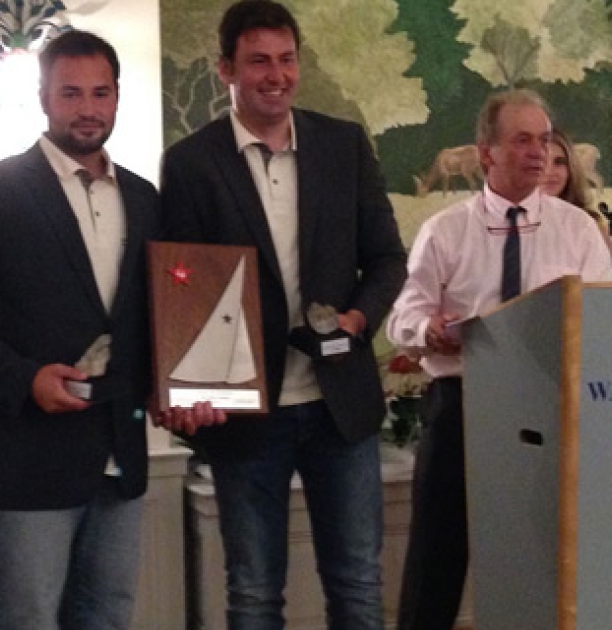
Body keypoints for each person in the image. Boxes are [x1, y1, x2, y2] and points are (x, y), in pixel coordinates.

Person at [0, 30, 215, 630]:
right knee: (27, 618)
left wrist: (174, 387)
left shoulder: (143, 197)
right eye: (70, 93)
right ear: (43, 98)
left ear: (117, 98)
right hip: (29, 456)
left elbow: (152, 315)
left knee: (107, 616)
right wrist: (24, 379)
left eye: (100, 93)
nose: (87, 108)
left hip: (121, 450)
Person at [157, 2, 408, 629]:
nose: (277, 75)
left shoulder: (344, 145)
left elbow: (387, 260)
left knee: (358, 585)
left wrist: (358, 319)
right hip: (246, 414)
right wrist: (188, 388)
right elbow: (181, 286)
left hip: (339, 405)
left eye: (287, 59)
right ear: (226, 70)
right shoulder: (191, 163)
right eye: (259, 61)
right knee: (253, 592)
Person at [387, 89, 612, 630]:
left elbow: (605, 321)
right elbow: (402, 319)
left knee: (544, 563)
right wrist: (429, 330)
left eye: (544, 140)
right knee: (436, 565)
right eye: (522, 140)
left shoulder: (577, 230)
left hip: (549, 411)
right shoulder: (446, 231)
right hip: (462, 408)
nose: (538, 152)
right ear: (487, 152)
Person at [542, 128, 612, 250]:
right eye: (542, 162)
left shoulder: (590, 225)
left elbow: (610, 260)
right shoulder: (513, 222)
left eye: (559, 162)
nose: (550, 171)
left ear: (571, 168)